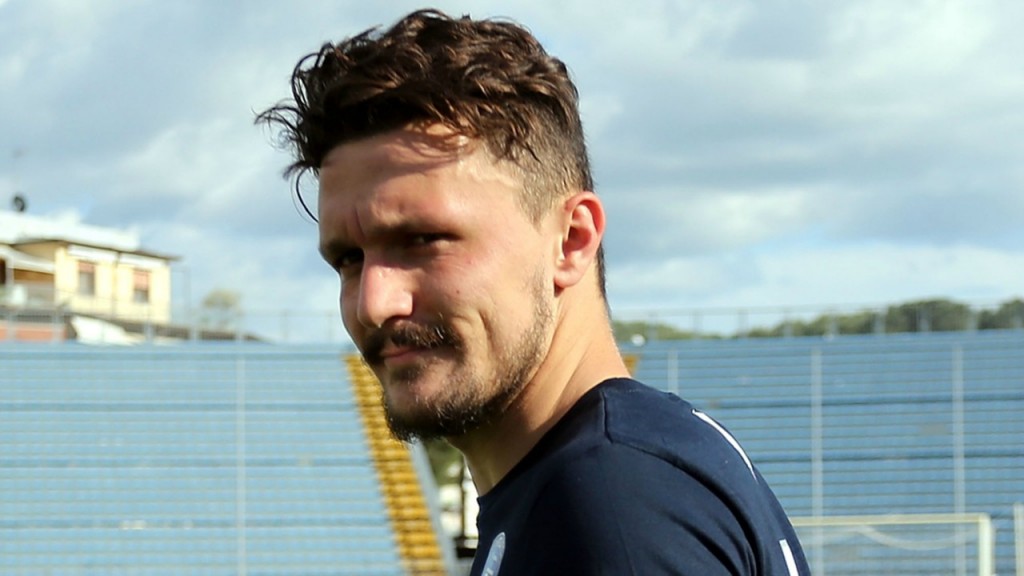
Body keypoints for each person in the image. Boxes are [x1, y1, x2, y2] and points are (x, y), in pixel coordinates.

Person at [258, 9, 810, 575]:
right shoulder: (603, 476)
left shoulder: (611, 506)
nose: (374, 304)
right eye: (348, 260)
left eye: (423, 240)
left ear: (571, 241)